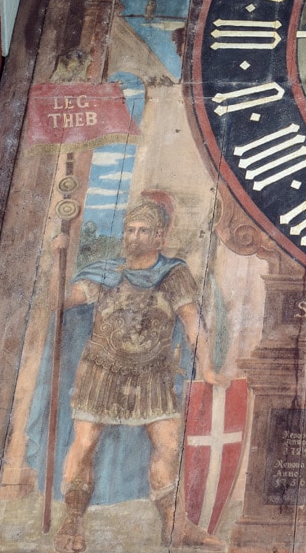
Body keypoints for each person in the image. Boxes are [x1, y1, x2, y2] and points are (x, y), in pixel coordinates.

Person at [51, 198, 221, 552]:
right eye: (130, 230)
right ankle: (72, 520)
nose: (135, 237)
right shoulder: (106, 272)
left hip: (153, 375)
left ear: (160, 237)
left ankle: (174, 525)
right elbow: (61, 301)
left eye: (144, 231)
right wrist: (56, 259)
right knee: (83, 445)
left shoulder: (173, 273)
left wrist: (206, 366)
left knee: (169, 446)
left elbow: (192, 321)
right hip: (102, 369)